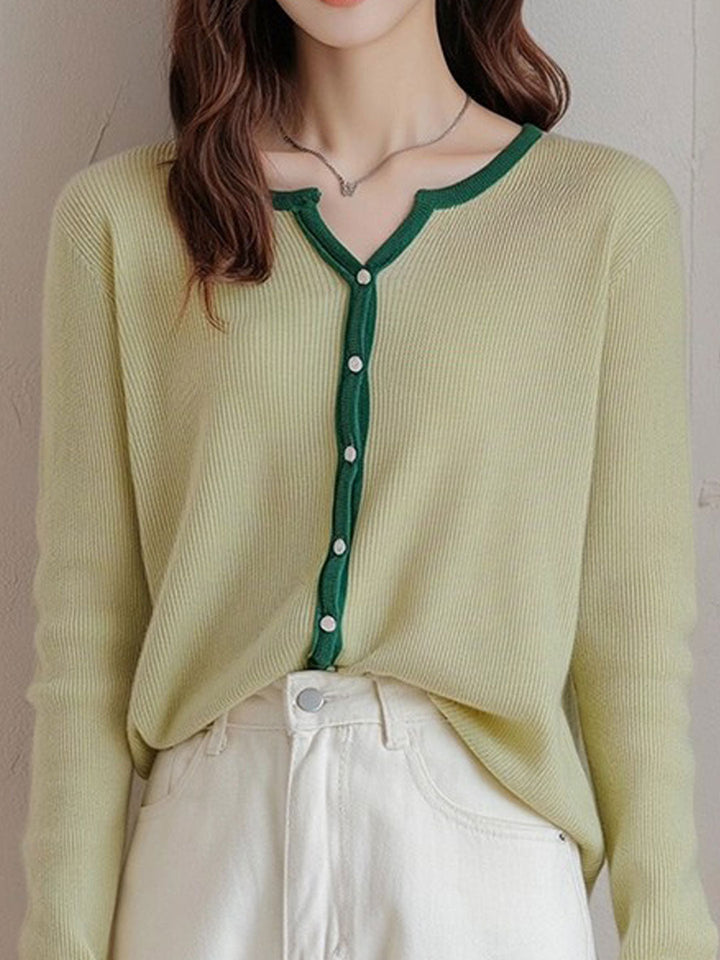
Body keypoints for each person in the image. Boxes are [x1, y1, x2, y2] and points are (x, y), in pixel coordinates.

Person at [18, 0, 719, 959]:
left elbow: (632, 636)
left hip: (479, 872)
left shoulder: (601, 217)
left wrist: (669, 934)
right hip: (209, 865)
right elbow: (87, 638)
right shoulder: (121, 220)